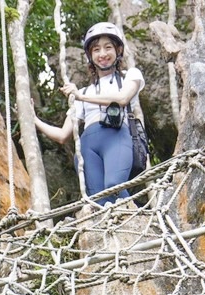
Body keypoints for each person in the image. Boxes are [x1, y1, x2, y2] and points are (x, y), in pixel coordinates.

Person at [34, 21, 145, 204]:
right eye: (96, 50)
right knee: (98, 199)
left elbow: (122, 99)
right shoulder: (84, 92)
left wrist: (80, 97)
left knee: (114, 184)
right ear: (90, 56)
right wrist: (34, 119)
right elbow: (62, 135)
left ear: (118, 50)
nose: (102, 54)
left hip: (117, 137)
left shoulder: (130, 76)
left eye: (108, 47)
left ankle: (138, 220)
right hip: (87, 146)